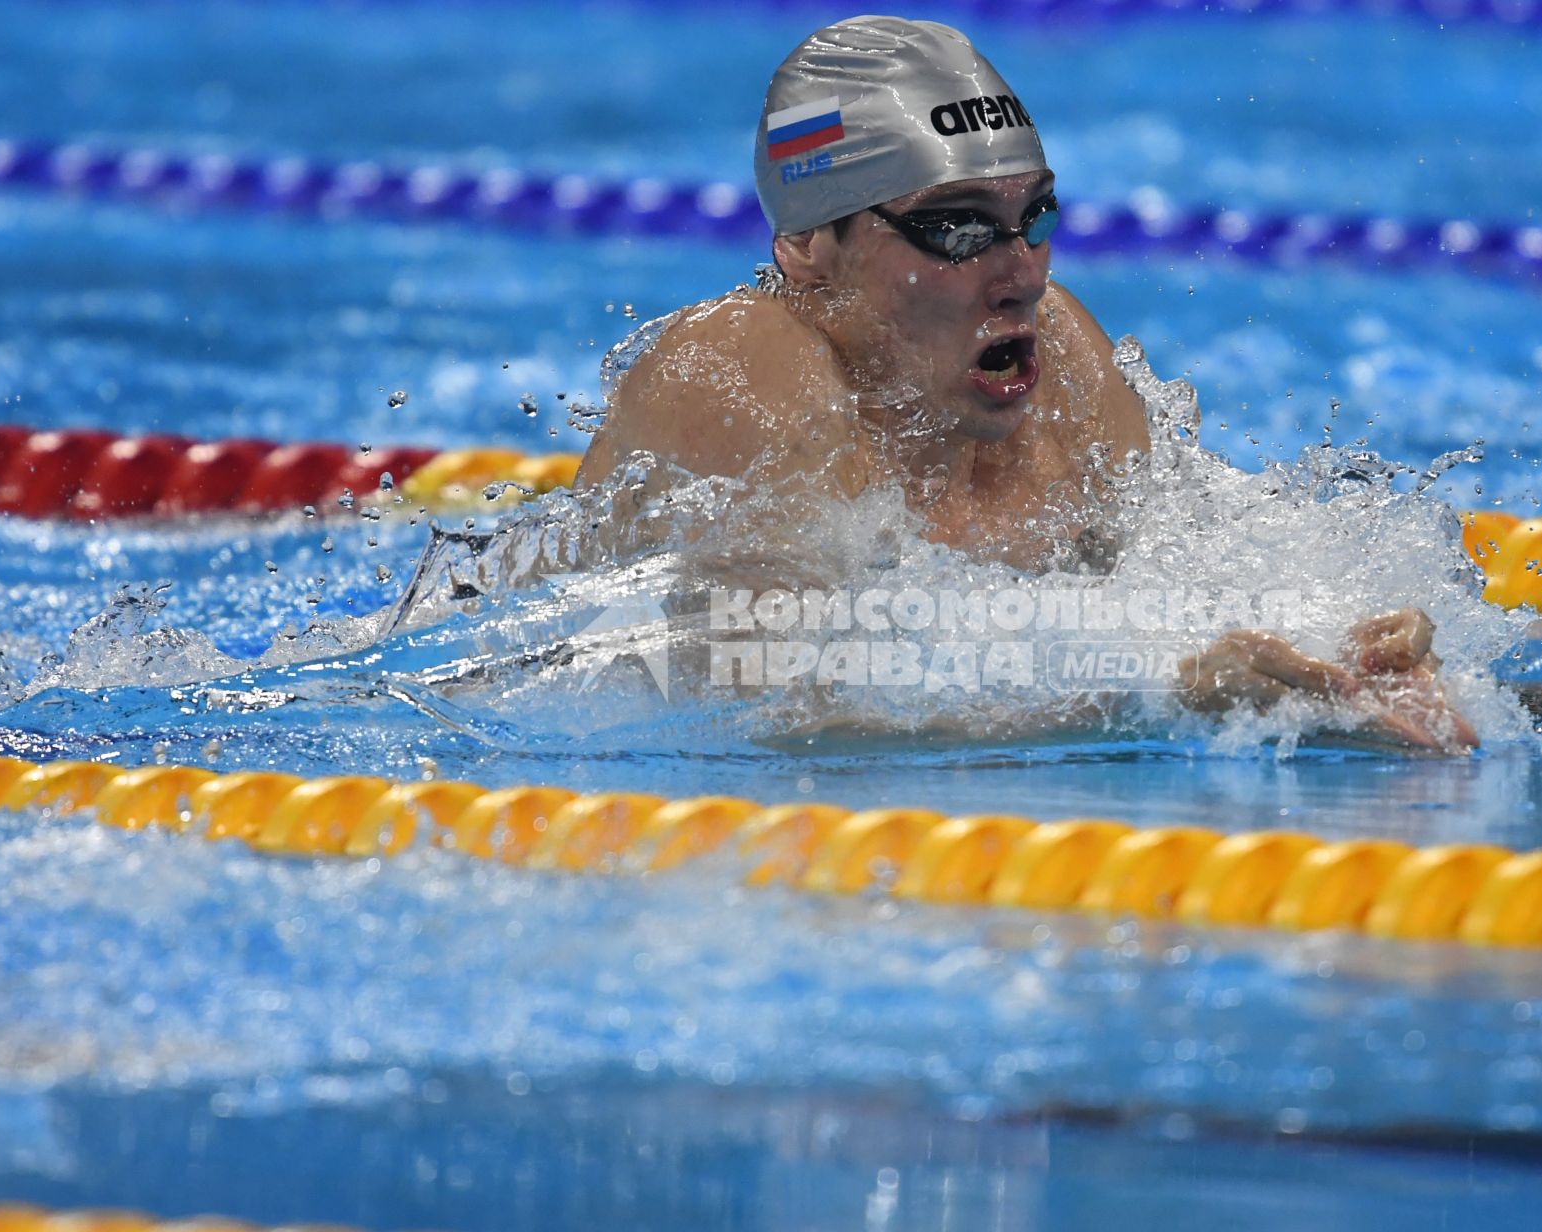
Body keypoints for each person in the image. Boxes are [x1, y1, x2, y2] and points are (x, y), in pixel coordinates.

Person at [575, 16, 1475, 751]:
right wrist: (1149, 695)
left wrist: (1344, 657)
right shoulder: (740, 373)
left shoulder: (1063, 363)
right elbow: (768, 710)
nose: (1022, 273)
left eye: (1033, 216)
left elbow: (1200, 565)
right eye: (958, 230)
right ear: (811, 249)